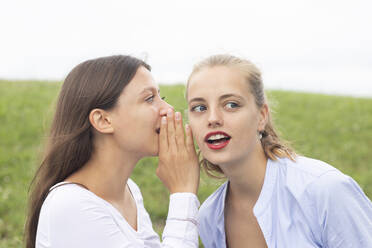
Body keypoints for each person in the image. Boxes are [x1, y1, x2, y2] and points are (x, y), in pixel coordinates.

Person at [186, 54, 372, 247]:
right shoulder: (209, 217)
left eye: (231, 104)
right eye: (199, 108)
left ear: (261, 116)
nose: (212, 118)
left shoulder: (325, 190)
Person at [25, 55, 200, 248]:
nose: (167, 109)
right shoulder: (71, 205)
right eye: (149, 99)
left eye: (161, 97)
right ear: (103, 120)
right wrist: (183, 194)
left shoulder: (129, 190)